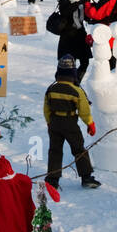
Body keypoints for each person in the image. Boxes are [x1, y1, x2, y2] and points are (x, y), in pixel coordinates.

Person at [43, 55, 100, 191]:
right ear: (73, 72)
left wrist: (49, 122)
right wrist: (90, 124)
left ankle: (52, 180)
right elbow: (84, 110)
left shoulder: (51, 89)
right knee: (79, 149)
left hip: (55, 122)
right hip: (70, 123)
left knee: (55, 150)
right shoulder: (77, 91)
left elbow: (46, 108)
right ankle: (86, 177)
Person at [56, 0, 91, 83]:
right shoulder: (64, 0)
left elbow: (84, 16)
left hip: (80, 35)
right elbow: (66, 11)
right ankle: (66, 83)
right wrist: (80, 2)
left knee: (85, 61)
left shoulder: (79, 0)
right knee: (69, 63)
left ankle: (76, 82)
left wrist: (89, 6)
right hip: (68, 37)